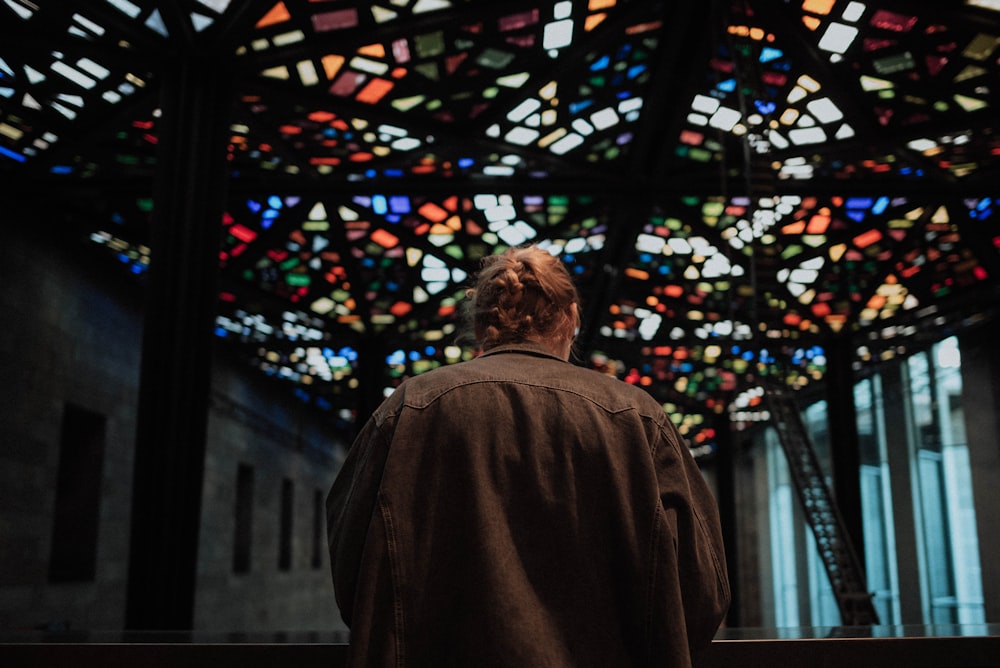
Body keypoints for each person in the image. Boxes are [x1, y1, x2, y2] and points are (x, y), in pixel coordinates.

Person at [327, 244, 730, 667]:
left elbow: (351, 566)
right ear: (571, 318)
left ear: (481, 325)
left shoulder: (409, 408)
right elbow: (704, 591)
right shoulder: (636, 416)